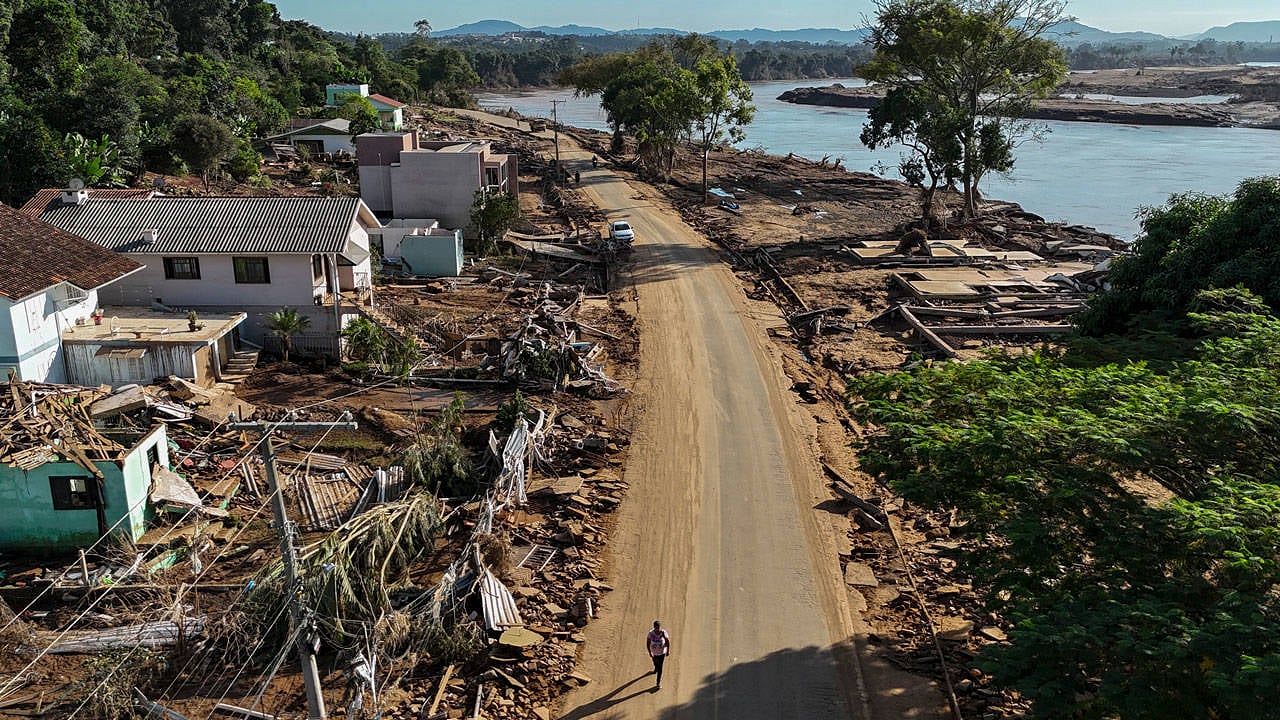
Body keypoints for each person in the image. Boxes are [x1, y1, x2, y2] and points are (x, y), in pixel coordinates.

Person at [646, 620, 671, 689]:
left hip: (662, 653)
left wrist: (668, 650)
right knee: (655, 663)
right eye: (656, 628)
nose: (658, 629)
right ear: (654, 627)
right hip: (654, 653)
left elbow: (667, 641)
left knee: (660, 667)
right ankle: (655, 669)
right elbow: (648, 643)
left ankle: (658, 683)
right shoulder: (650, 633)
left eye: (659, 627)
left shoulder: (663, 632)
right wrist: (650, 652)